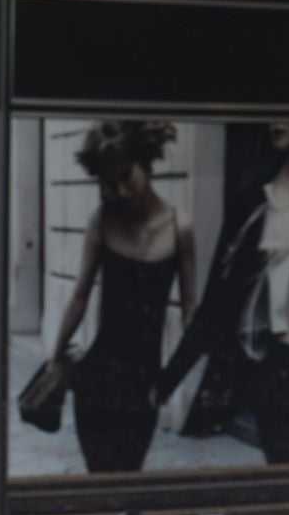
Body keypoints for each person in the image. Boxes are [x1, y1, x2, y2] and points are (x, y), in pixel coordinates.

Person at [156, 121, 289, 463]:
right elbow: (218, 298)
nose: (274, 119)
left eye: (285, 105)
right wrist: (167, 381)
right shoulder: (257, 192)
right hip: (278, 366)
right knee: (286, 484)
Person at [48, 121, 197, 473]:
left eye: (124, 176)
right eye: (109, 183)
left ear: (144, 161)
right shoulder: (102, 222)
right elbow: (79, 297)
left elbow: (192, 313)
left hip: (144, 386)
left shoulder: (181, 227)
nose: (121, 191)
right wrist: (56, 359)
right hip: (97, 380)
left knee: (129, 479)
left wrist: (168, 383)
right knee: (99, 481)